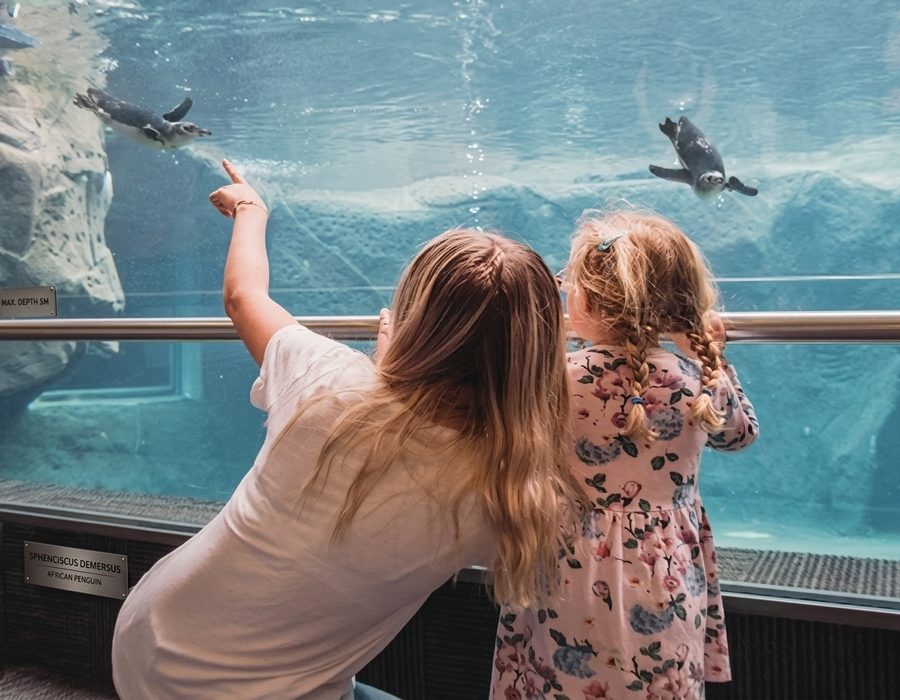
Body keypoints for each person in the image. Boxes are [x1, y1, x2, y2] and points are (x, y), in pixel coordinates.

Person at [111, 160, 586, 699]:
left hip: (148, 642)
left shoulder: (325, 379)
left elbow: (244, 297)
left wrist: (250, 208)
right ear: (539, 352)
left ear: (412, 319)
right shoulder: (508, 495)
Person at [490, 209, 759, 700]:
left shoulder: (555, 377)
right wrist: (712, 358)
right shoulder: (696, 379)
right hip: (665, 568)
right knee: (657, 680)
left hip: (570, 568)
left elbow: (508, 448)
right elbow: (739, 437)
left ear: (587, 299)